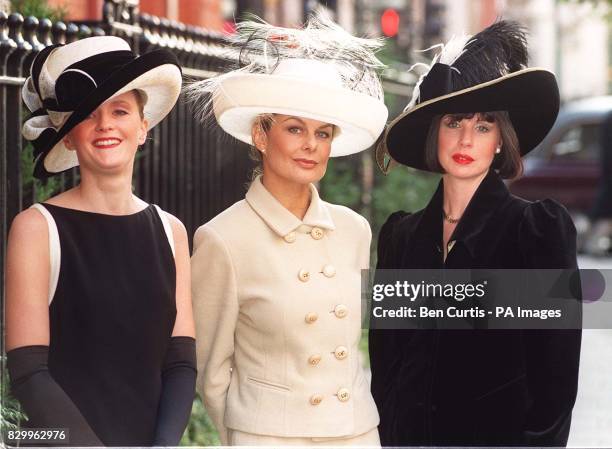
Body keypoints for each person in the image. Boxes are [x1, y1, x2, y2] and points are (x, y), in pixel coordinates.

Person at [370, 21, 582, 447]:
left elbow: (556, 376)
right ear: (436, 133)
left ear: (501, 142)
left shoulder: (537, 232)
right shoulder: (402, 236)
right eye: (454, 122)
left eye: (484, 126)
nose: (466, 137)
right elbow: (386, 363)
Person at [188, 13, 388, 446]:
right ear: (261, 135)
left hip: (355, 433)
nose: (310, 145)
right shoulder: (222, 239)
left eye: (322, 132)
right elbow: (211, 369)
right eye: (294, 128)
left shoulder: (354, 230)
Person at [5, 36, 196, 446]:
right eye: (88, 115)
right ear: (69, 137)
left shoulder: (171, 231)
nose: (106, 125)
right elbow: (27, 371)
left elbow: (181, 362)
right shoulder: (37, 228)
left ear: (143, 127)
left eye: (120, 110)